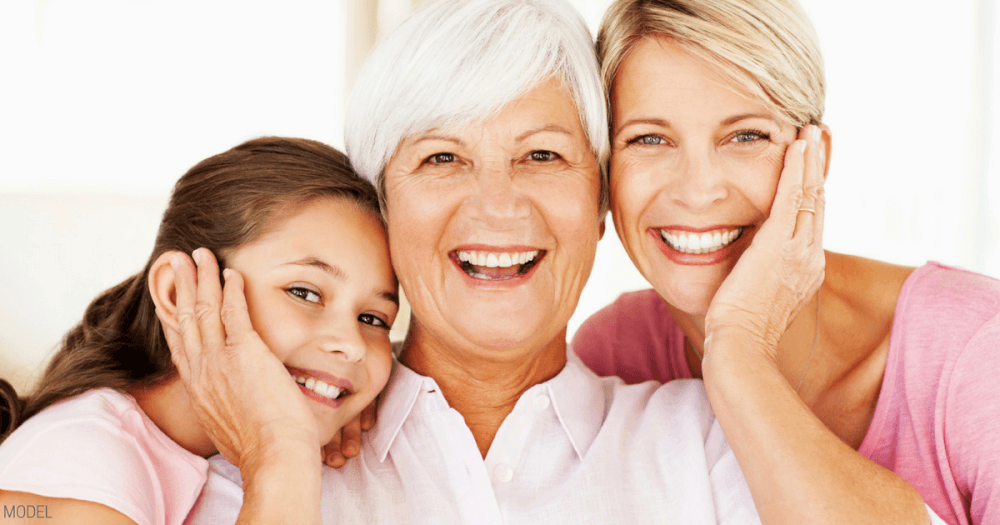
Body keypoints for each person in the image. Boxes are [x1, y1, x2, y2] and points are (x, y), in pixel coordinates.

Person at [172, 1, 944, 524]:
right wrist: (278, 463)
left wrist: (736, 349)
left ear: (603, 198)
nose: (498, 206)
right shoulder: (265, 458)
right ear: (382, 209)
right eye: (443, 158)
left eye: (542, 155)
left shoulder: (712, 443)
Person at [571, 0, 1000, 524]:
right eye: (649, 139)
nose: (698, 191)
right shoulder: (619, 356)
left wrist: (740, 348)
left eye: (746, 136)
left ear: (815, 157)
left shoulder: (980, 351)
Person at [0, 137, 398, 525]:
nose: (351, 345)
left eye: (373, 319)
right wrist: (281, 454)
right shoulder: (79, 469)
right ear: (177, 293)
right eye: (304, 293)